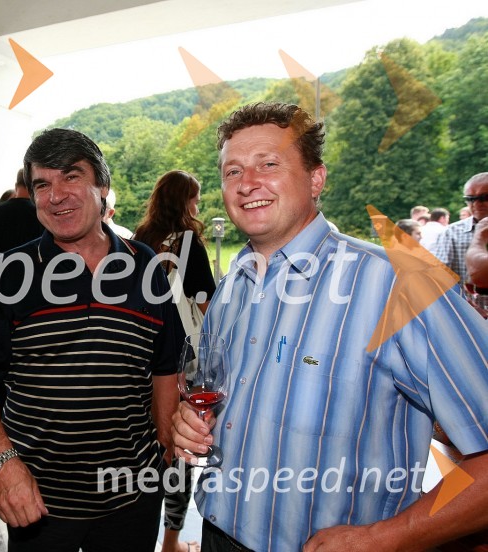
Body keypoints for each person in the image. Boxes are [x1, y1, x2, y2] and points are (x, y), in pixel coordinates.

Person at [171, 102, 488, 552]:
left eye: (269, 164)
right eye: (232, 171)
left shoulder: (397, 281)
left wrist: (386, 539)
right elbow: (228, 399)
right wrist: (194, 420)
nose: (247, 184)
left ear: (316, 178)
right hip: (219, 532)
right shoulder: (231, 287)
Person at [0, 128, 182, 552]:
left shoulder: (145, 265)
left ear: (102, 188)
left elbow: (165, 368)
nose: (56, 195)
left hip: (132, 498)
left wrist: (165, 451)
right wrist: (3, 466)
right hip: (38, 502)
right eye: (43, 184)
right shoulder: (11, 272)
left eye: (71, 177)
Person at [133, 169, 216, 552]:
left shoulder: (139, 239)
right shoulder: (187, 242)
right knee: (178, 448)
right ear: (183, 201)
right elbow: (207, 304)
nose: (197, 206)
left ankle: (138, 530)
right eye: (194, 198)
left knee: (146, 442)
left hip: (140, 359)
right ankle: (170, 541)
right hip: (181, 361)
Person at [433, 172, 488, 283]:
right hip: (466, 300)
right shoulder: (451, 233)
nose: (476, 204)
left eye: (484, 197)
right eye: (470, 199)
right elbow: (439, 277)